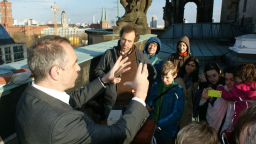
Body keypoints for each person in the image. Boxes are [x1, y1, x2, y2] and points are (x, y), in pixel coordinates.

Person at [16, 35, 150, 144]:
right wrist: (140, 95)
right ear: (56, 72)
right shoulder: (62, 123)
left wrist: (105, 79)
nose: (78, 68)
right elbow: (119, 136)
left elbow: (72, 100)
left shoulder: (29, 95)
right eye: (74, 63)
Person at [94, 24, 156, 117]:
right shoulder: (109, 54)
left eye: (129, 41)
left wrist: (141, 87)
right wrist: (109, 79)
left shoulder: (140, 55)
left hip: (132, 104)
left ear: (134, 41)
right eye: (123, 39)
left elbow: (153, 74)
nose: (125, 43)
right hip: (113, 104)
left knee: (129, 130)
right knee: (112, 130)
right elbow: (98, 71)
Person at [146, 61, 185, 144]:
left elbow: (177, 113)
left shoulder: (178, 92)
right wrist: (149, 105)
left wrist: (160, 124)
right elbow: (150, 99)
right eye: (162, 76)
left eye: (167, 77)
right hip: (152, 127)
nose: (164, 79)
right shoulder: (156, 85)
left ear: (175, 75)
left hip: (167, 131)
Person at [175, 56, 199, 129]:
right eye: (188, 64)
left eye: (192, 66)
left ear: (195, 68)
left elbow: (196, 97)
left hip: (187, 109)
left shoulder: (196, 80)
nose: (189, 67)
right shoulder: (177, 75)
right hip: (175, 106)